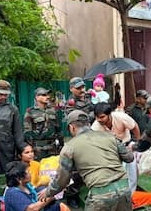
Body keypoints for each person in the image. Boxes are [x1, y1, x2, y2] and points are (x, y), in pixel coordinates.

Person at [46, 110, 133, 211]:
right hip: (124, 190)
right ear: (88, 124)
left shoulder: (70, 147)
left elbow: (62, 179)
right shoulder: (109, 136)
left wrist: (48, 192)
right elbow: (129, 157)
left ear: (71, 127)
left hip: (101, 194)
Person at [91, 102, 140, 193]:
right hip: (110, 150)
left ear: (109, 114)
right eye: (97, 117)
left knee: (131, 171)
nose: (99, 120)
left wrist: (138, 144)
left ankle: (131, 194)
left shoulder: (121, 117)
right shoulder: (95, 127)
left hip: (127, 145)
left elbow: (135, 127)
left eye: (102, 117)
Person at [63, 77, 94, 207]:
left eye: (82, 87)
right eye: (78, 88)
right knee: (77, 169)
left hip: (92, 136)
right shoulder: (70, 103)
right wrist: (94, 115)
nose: (82, 90)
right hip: (79, 138)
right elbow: (76, 120)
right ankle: (71, 195)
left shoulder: (89, 97)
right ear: (71, 89)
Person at [0, 80, 25, 175]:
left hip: (6, 149)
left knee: (7, 174)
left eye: (6, 95)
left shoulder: (12, 109)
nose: (3, 97)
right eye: (0, 94)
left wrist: (22, 150)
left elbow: (18, 133)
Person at [23, 87, 62, 161]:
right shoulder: (30, 112)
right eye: (44, 95)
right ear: (37, 97)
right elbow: (27, 132)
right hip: (38, 149)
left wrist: (61, 145)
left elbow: (58, 129)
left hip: (53, 148)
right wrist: (31, 149)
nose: (47, 97)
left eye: (47, 95)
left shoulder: (52, 111)